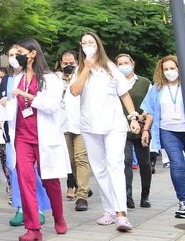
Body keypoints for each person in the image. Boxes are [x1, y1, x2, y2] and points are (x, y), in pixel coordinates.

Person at [69, 32, 141, 232]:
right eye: (84, 43)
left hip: (114, 125)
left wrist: (133, 117)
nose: (87, 45)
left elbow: (124, 94)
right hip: (90, 126)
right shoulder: (79, 69)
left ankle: (121, 213)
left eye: (91, 42)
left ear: (98, 45)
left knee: (114, 166)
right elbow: (74, 91)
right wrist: (85, 69)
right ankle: (109, 210)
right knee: (99, 169)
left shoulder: (111, 68)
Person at [4, 38, 69, 241]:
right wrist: (7, 103)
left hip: (44, 136)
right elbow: (15, 105)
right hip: (22, 136)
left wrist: (28, 96)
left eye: (20, 52)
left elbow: (52, 106)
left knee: (50, 180)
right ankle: (33, 228)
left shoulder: (50, 79)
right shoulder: (18, 78)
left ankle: (59, 217)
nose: (17, 57)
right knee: (25, 180)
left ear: (32, 54)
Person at [140, 56, 185, 218]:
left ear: (180, 69)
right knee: (177, 165)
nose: (169, 72)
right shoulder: (157, 88)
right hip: (168, 131)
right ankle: (183, 202)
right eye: (165, 69)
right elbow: (150, 110)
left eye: (172, 68)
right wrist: (146, 129)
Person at [0, 46, 49, 227]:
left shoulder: (34, 77)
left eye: (17, 54)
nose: (14, 58)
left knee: (33, 171)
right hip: (11, 131)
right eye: (10, 55)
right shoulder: (6, 80)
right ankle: (20, 207)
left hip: (32, 129)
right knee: (15, 170)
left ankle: (38, 207)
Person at [115, 54, 152, 209]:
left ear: (132, 64)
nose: (124, 66)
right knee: (126, 161)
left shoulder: (144, 82)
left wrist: (143, 118)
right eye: (120, 63)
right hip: (121, 127)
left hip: (142, 126)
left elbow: (151, 104)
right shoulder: (114, 82)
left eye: (126, 63)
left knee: (144, 162)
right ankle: (127, 196)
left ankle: (145, 195)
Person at [57, 50, 91, 212]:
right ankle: (82, 184)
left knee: (81, 158)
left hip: (81, 124)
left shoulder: (83, 75)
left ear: (77, 63)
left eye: (71, 63)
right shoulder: (56, 79)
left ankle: (82, 195)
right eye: (65, 63)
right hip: (64, 125)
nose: (68, 66)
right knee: (70, 162)